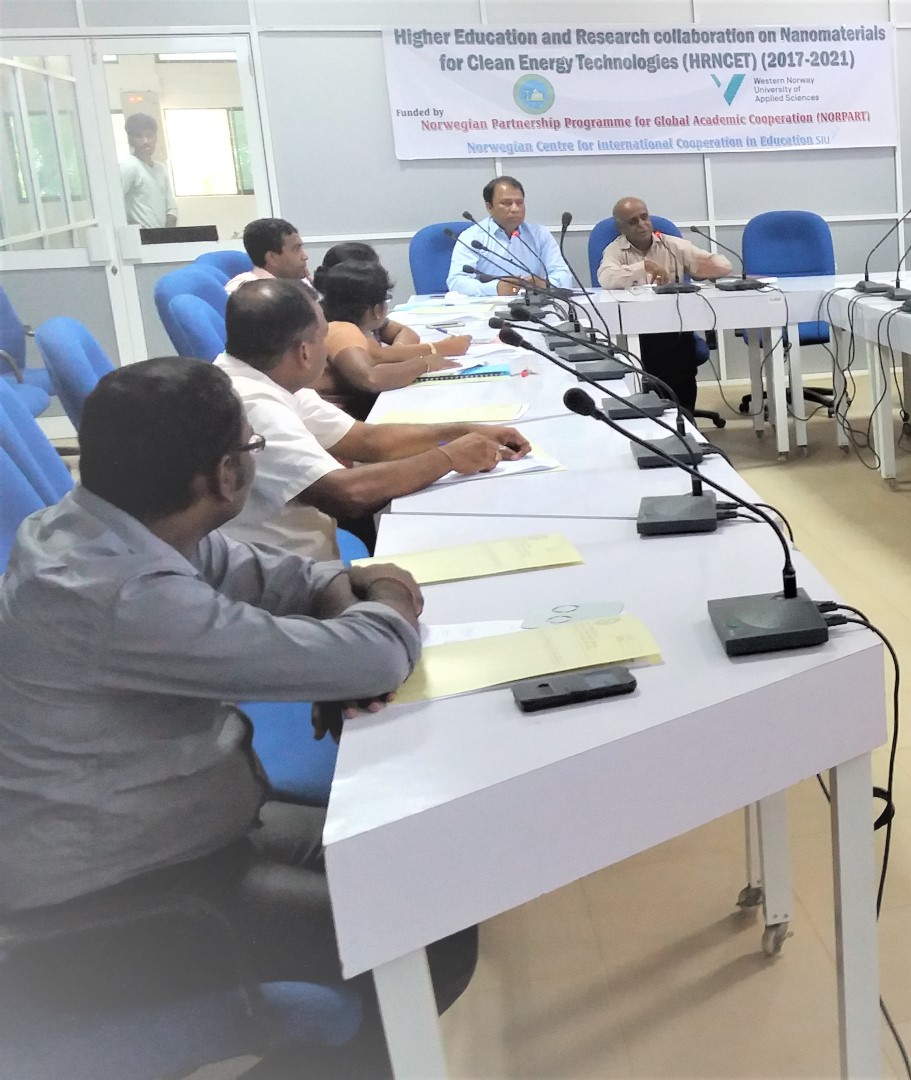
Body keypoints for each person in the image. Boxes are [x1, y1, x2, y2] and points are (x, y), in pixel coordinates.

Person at [0, 357, 476, 1076]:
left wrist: (348, 616)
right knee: (428, 938)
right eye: (251, 447)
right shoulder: (125, 595)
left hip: (161, 829)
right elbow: (377, 655)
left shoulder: (110, 524)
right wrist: (384, 590)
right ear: (226, 475)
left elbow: (299, 579)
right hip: (113, 898)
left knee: (413, 865)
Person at [216, 280, 531, 560]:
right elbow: (348, 495)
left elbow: (368, 441)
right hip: (285, 577)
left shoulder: (270, 379)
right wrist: (449, 457)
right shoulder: (252, 405)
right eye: (324, 338)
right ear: (304, 352)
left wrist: (463, 431)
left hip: (301, 560)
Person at [597, 195, 731, 410]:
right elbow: (606, 278)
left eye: (644, 217)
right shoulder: (615, 250)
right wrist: (643, 267)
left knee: (681, 351)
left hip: (674, 326)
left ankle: (685, 416)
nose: (642, 224)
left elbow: (722, 265)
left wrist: (708, 269)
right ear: (621, 228)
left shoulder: (671, 244)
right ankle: (660, 413)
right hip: (637, 329)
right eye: (633, 221)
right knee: (659, 353)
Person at [312, 258, 463, 419]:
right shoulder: (343, 330)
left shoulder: (342, 324)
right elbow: (371, 378)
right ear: (377, 309)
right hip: (333, 417)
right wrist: (424, 363)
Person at [316, 242, 470, 370]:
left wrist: (397, 353)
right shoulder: (334, 320)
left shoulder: (365, 312)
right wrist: (441, 348)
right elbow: (375, 356)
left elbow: (405, 332)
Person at [445, 175, 577, 296]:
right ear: (489, 206)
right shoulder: (473, 237)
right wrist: (495, 288)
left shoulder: (539, 234)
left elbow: (564, 275)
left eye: (519, 203)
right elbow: (456, 282)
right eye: (507, 203)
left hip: (533, 305)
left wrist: (545, 284)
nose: (515, 209)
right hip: (488, 308)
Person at [227, 218, 315, 295]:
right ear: (272, 258)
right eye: (296, 249)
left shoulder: (298, 282)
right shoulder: (243, 292)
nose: (305, 257)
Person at [119, 113, 175, 229]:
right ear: (130, 140)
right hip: (139, 237)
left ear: (156, 138)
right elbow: (115, 204)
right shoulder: (128, 167)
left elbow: (172, 209)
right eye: (139, 136)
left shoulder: (161, 169)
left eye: (149, 136)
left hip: (162, 236)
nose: (146, 141)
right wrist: (134, 227)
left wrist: (167, 235)